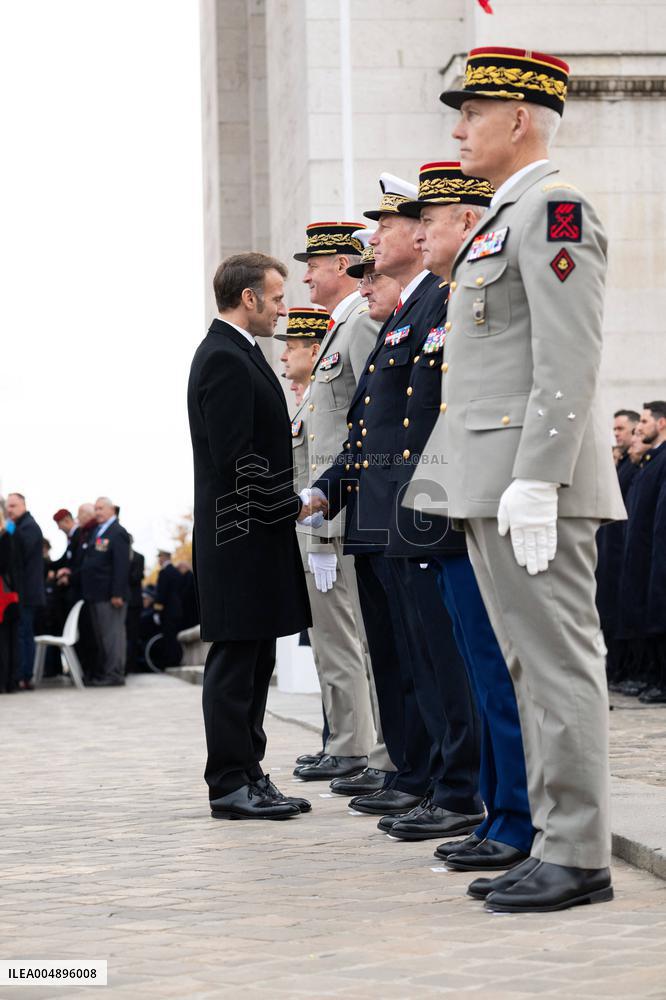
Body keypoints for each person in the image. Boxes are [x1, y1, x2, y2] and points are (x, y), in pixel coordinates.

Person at [407, 47, 625, 912]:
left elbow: (568, 356)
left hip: (534, 489)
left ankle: (579, 853)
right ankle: (552, 837)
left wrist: (538, 478)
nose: (459, 130)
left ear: (519, 119)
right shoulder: (503, 219)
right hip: (494, 484)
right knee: (528, 670)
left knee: (559, 664)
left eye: (472, 113)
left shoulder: (553, 209)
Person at [371, 161, 535, 872]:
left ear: (465, 222)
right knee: (464, 658)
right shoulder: (450, 294)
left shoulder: (456, 292)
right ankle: (498, 811)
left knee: (491, 670)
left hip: (470, 498)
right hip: (439, 499)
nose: (418, 232)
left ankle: (513, 816)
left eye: (427, 221)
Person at [309, 174, 484, 840]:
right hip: (385, 513)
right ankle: (425, 776)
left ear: (419, 234)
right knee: (406, 657)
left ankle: (454, 786)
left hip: (420, 509)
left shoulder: (439, 303)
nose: (373, 242)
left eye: (384, 228)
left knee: (439, 659)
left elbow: (430, 422)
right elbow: (368, 430)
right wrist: (328, 488)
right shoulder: (402, 317)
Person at [187, 251, 314, 821]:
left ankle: (252, 773)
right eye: (278, 297)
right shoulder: (222, 358)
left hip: (254, 537)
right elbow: (236, 458)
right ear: (249, 298)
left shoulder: (243, 353)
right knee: (236, 664)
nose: (282, 309)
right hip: (238, 538)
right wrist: (291, 503)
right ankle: (228, 783)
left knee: (257, 661)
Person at [293, 221, 391, 790]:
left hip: (346, 509)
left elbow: (370, 415)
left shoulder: (357, 323)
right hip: (328, 513)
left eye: (315, 264)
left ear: (342, 264)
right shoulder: (340, 325)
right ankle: (349, 742)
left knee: (352, 637)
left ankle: (364, 746)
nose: (308, 274)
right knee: (335, 639)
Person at [618, 402, 666, 702]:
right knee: (643, 613)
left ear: (661, 424)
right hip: (643, 552)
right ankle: (650, 675)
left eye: (645, 421)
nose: (640, 429)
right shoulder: (650, 461)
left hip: (656, 552)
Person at [596, 411, 640, 689]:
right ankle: (622, 670)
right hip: (612, 552)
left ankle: (636, 671)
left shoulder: (638, 466)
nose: (617, 434)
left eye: (622, 428)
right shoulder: (623, 464)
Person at [80, 496, 131, 686]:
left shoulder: (118, 532)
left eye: (101, 508)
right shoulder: (98, 531)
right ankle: (107, 672)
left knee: (113, 637)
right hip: (96, 594)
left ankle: (115, 674)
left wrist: (117, 593)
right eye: (96, 508)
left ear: (112, 510)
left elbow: (121, 565)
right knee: (103, 637)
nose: (97, 512)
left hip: (111, 596)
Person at [5, 493, 46, 690]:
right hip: (22, 591)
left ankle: (24, 675)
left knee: (24, 634)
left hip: (27, 593)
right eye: (8, 506)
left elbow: (21, 553)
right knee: (22, 633)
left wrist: (9, 530)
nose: (10, 509)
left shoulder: (29, 527)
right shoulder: (22, 526)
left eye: (13, 505)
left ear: (23, 505)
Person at [154, 549, 183, 668]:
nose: (158, 560)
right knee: (174, 637)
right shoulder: (176, 572)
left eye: (159, 557)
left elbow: (162, 594)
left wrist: (157, 610)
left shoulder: (164, 572)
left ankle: (171, 662)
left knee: (169, 637)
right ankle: (175, 660)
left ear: (163, 558)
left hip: (167, 611)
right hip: (177, 609)